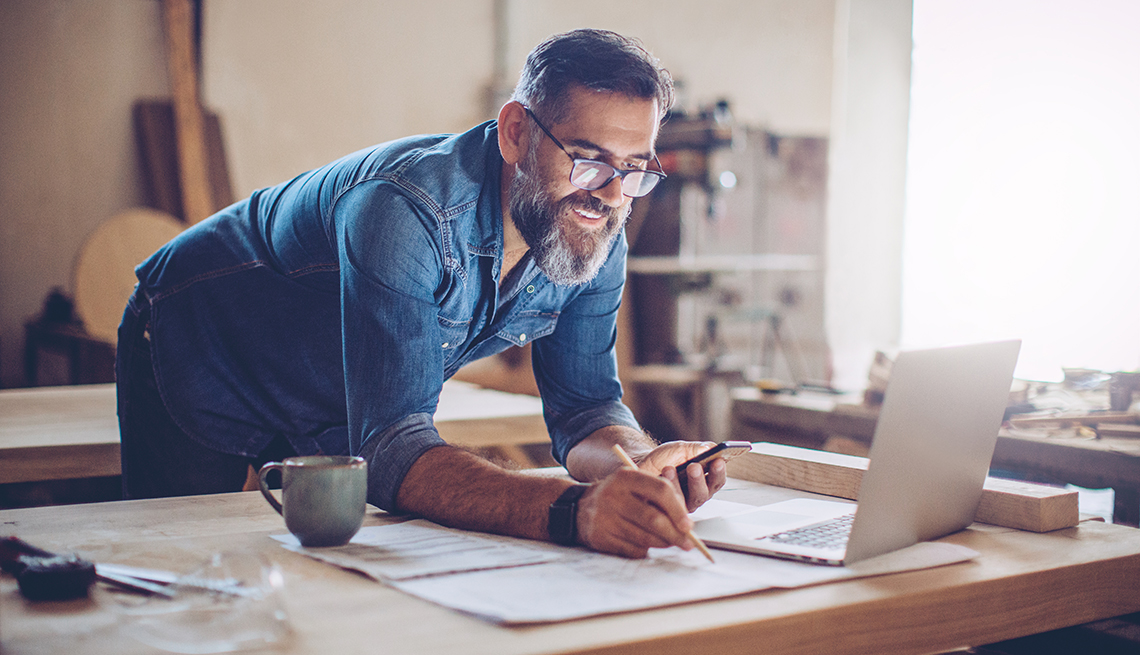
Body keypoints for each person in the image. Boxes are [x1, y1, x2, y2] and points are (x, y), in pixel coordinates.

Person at [116, 28, 728, 558]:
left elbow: (587, 410)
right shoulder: (404, 213)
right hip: (200, 345)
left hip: (333, 394)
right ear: (515, 132)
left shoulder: (595, 234)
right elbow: (392, 451)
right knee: (188, 572)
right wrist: (572, 511)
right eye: (589, 159)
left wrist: (639, 466)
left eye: (635, 169)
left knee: (318, 588)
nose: (612, 195)